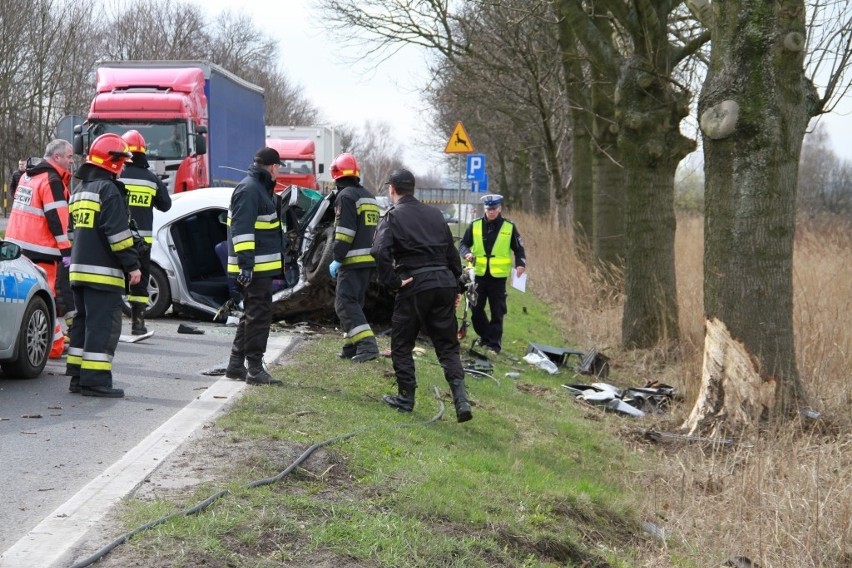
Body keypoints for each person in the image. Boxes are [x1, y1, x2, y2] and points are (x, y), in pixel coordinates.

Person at [371, 168, 473, 423]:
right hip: (443, 283)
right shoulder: (436, 215)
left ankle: (406, 398)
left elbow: (380, 251)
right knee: (448, 346)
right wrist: (456, 287)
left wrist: (393, 282)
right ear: (413, 189)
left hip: (414, 284)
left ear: (392, 190)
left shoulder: (392, 216)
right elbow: (452, 254)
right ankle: (461, 400)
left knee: (402, 343)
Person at [66, 133, 141, 398]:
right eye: (121, 162)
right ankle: (95, 381)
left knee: (83, 323)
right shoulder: (109, 190)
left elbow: (72, 234)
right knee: (103, 326)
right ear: (112, 162)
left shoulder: (78, 191)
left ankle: (77, 377)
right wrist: (132, 265)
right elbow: (118, 235)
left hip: (78, 271)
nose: (122, 168)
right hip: (103, 274)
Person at [5, 141, 75, 359]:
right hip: (42, 250)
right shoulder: (52, 180)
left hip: (16, 246)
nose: (72, 161)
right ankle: (53, 347)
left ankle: (32, 343)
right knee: (46, 299)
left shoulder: (28, 176)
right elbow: (57, 219)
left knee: (21, 300)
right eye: (69, 157)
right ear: (56, 158)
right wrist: (66, 251)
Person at [223, 147, 285, 386]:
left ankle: (236, 365)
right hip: (254, 269)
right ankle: (255, 369)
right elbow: (242, 231)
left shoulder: (258, 189)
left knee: (251, 316)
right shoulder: (250, 190)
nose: (278, 171)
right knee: (258, 318)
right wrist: (246, 267)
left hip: (258, 267)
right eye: (278, 167)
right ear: (272, 167)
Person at [328, 152, 381, 363]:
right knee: (354, 303)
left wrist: (337, 257)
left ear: (336, 175)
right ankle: (351, 346)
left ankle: (368, 346)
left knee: (344, 304)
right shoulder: (369, 195)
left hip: (351, 260)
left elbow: (345, 232)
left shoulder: (346, 196)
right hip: (367, 260)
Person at [458, 193, 526, 354]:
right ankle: (486, 336)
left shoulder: (509, 227)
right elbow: (463, 244)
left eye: (494, 209)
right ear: (485, 209)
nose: (491, 212)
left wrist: (521, 264)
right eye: (488, 209)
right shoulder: (474, 225)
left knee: (497, 311)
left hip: (498, 277)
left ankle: (494, 344)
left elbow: (519, 248)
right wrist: (466, 253)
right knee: (476, 310)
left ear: (500, 208)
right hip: (478, 275)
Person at [119, 129, 172, 335]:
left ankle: (110, 323)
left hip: (118, 239)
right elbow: (165, 205)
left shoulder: (117, 175)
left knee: (115, 279)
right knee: (140, 283)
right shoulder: (151, 179)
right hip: (143, 242)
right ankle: (138, 324)